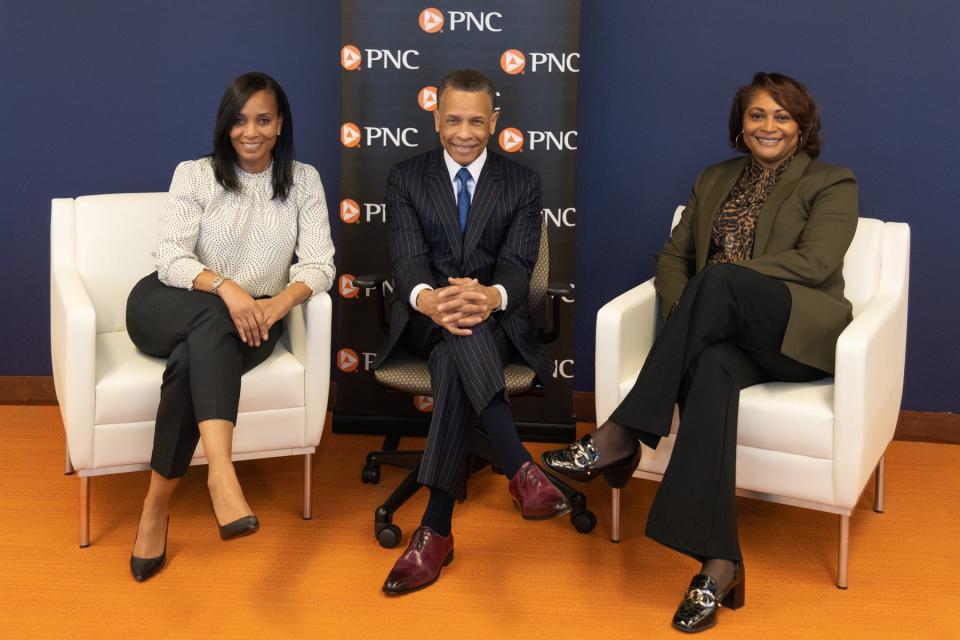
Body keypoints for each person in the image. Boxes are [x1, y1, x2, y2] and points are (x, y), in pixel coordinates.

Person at [543, 72, 859, 632]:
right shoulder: (714, 178)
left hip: (794, 334)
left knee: (718, 279)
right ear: (741, 124)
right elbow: (672, 257)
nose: (768, 126)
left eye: (782, 116)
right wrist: (688, 310)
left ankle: (620, 435)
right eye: (757, 114)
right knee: (711, 370)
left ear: (803, 126)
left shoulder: (832, 182)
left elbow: (815, 265)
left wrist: (718, 285)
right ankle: (719, 566)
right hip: (723, 339)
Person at [124, 71, 335, 582]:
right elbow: (170, 256)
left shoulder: (303, 180)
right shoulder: (195, 174)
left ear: (280, 124)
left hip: (253, 321)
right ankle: (222, 472)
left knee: (192, 360)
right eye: (240, 120)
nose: (251, 132)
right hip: (168, 301)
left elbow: (321, 264)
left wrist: (280, 303)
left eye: (263, 119)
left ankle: (155, 508)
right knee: (212, 318)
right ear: (225, 125)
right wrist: (227, 288)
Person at [375, 69, 569, 595]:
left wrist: (488, 298)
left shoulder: (522, 182)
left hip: (495, 322)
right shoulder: (406, 178)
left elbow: (516, 265)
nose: (465, 132)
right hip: (424, 320)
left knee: (461, 347)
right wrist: (432, 301)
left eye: (477, 121)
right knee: (458, 339)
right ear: (436, 119)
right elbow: (409, 259)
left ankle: (435, 532)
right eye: (454, 119)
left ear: (495, 123)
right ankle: (520, 468)